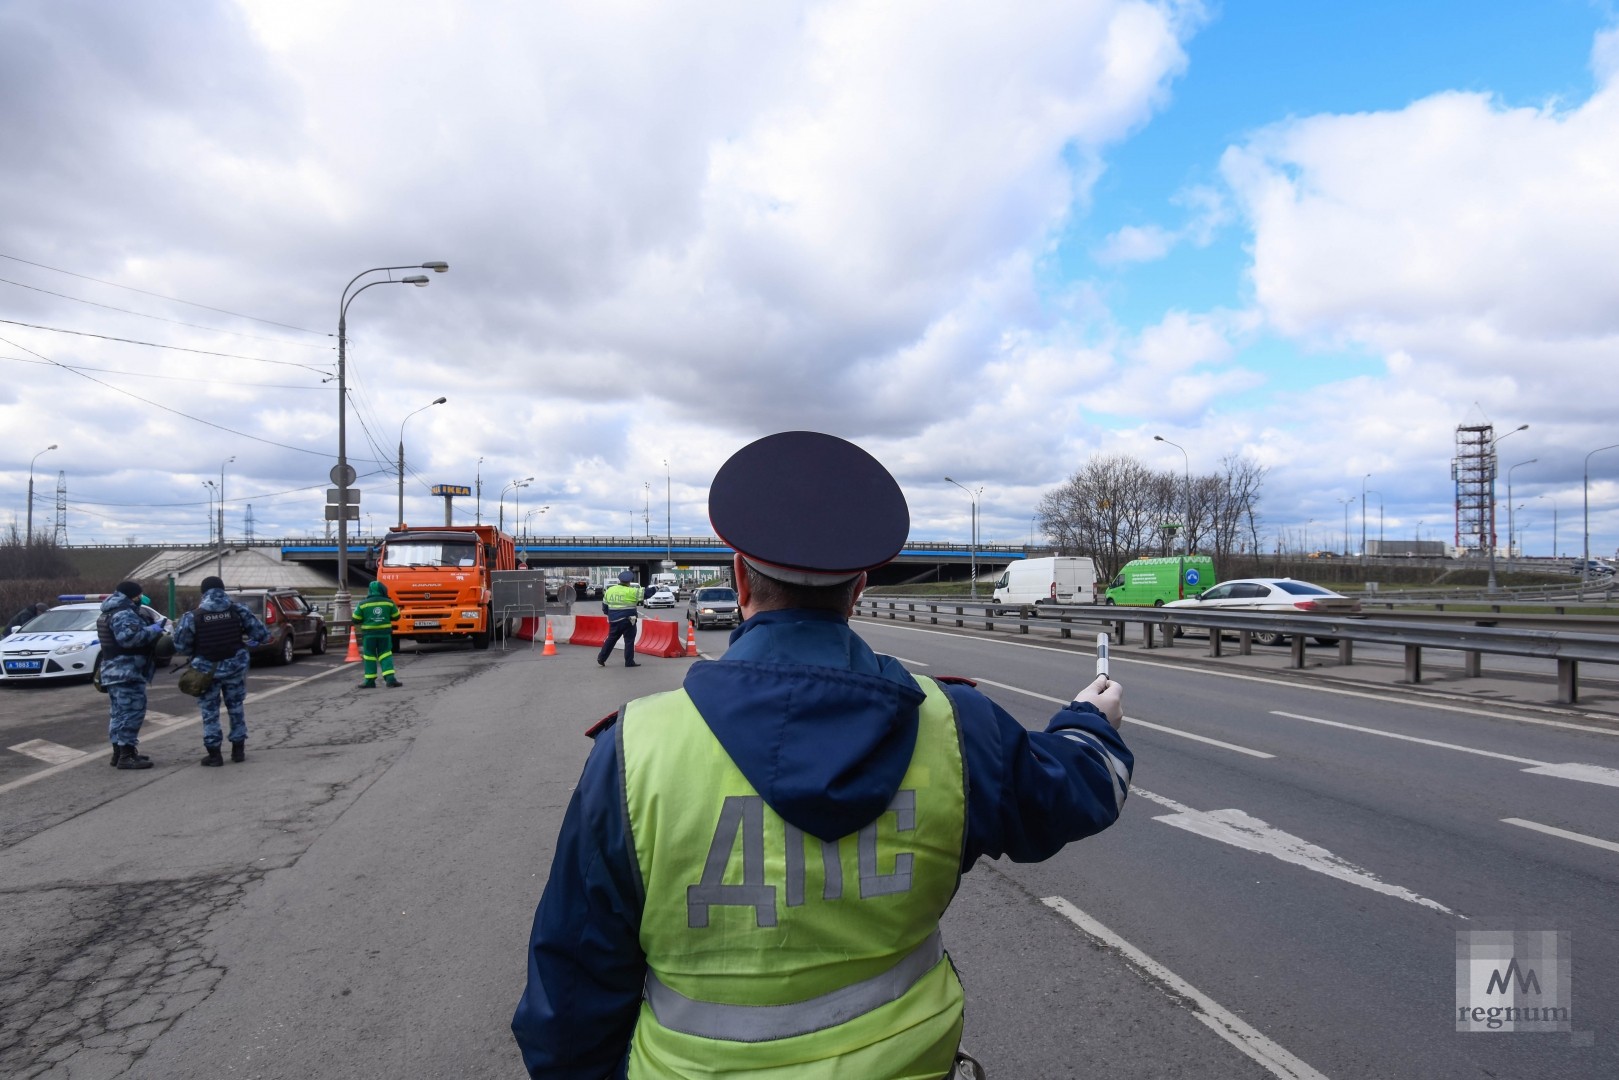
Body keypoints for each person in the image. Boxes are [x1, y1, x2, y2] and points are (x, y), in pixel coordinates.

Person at [512, 431, 1132, 1078]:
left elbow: (569, 1004)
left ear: (739, 577)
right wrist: (1089, 722)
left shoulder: (635, 750)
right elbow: (1075, 793)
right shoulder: (954, 725)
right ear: (858, 587)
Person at [172, 576, 270, 766]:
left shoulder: (193, 616)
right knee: (236, 708)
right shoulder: (238, 610)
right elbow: (261, 635)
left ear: (203, 593)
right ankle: (238, 750)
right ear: (223, 591)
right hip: (235, 669)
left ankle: (214, 754)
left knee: (210, 712)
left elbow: (181, 646)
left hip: (206, 671)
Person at [98, 580, 171, 771]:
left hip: (115, 671)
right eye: (139, 595)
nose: (141, 598)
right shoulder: (123, 613)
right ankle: (127, 757)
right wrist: (154, 630)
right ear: (133, 595)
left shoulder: (108, 612)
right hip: (126, 671)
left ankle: (119, 752)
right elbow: (129, 639)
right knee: (132, 713)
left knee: (118, 714)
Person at [352, 579, 402, 688]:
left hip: (369, 635)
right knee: (386, 654)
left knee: (369, 656)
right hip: (384, 634)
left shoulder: (363, 604)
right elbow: (397, 616)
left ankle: (369, 681)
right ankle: (390, 679)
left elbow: (355, 619)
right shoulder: (388, 602)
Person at [596, 570, 643, 668]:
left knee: (611, 639)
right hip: (629, 621)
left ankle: (601, 658)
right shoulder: (632, 591)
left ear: (620, 580)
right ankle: (629, 662)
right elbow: (645, 594)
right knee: (629, 640)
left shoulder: (610, 590)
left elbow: (605, 607)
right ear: (630, 581)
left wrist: (611, 614)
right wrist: (657, 587)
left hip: (614, 621)